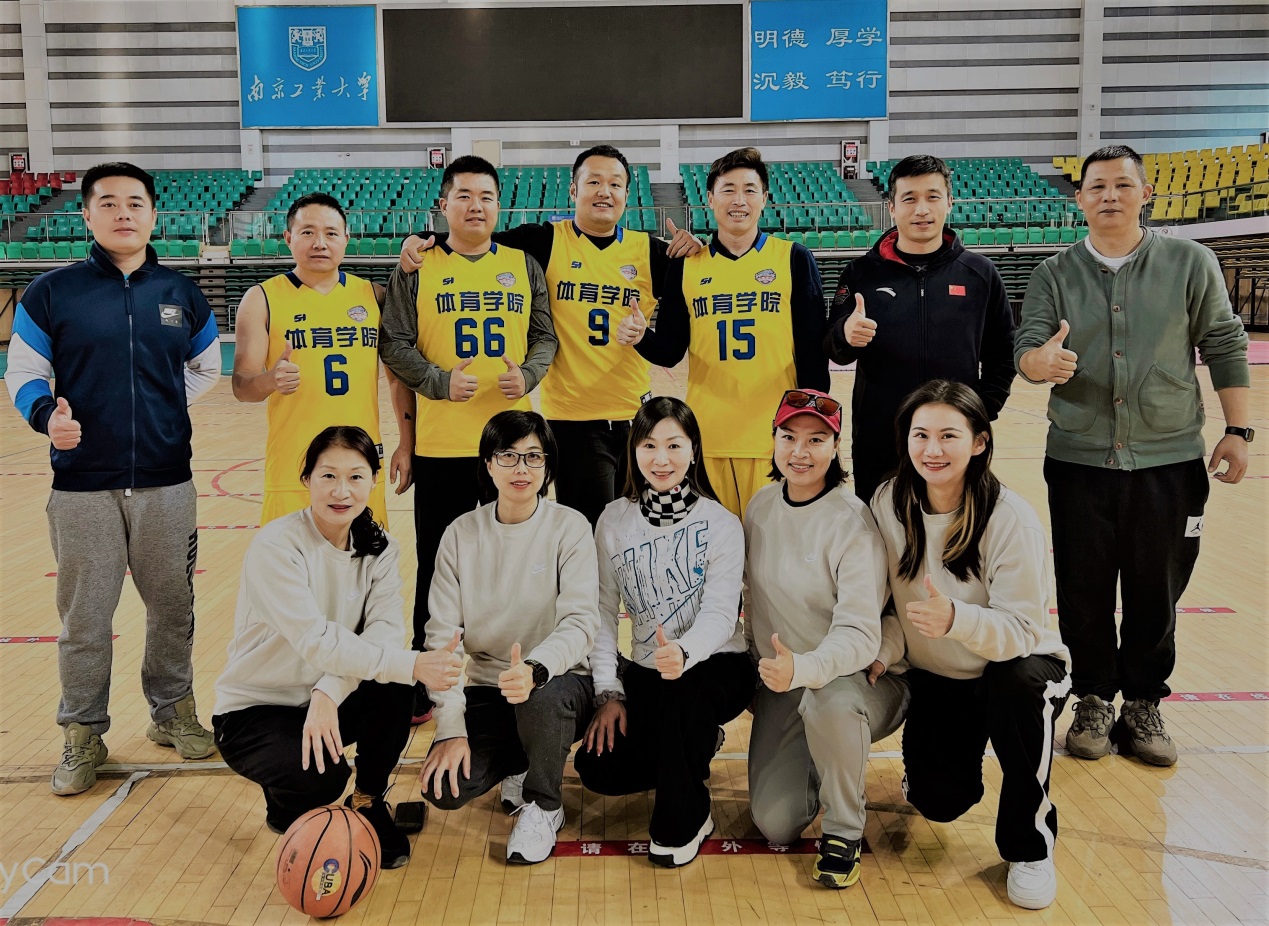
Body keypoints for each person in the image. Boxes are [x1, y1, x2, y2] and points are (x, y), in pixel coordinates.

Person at [1016, 144, 1250, 768]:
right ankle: (1094, 695)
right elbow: (1028, 347)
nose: (1110, 196)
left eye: (1123, 185)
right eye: (1097, 187)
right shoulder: (1053, 274)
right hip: (1078, 461)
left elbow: (1224, 341)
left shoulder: (1190, 263)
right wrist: (1039, 362)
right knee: (1083, 587)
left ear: (1145, 194)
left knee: (1157, 587)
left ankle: (1144, 700)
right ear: (1079, 199)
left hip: (1169, 461)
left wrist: (1238, 429)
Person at [4, 162, 221, 795]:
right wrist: (47, 418)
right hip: (82, 487)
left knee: (173, 608)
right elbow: (24, 373)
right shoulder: (51, 292)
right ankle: (82, 730)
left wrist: (158, 412)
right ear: (86, 215)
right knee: (85, 619)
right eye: (108, 202)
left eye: (135, 202)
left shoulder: (182, 293)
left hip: (166, 483)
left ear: (153, 214)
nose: (123, 212)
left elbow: (204, 368)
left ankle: (172, 711)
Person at [397, 145, 702, 527]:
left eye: (615, 184)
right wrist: (418, 238)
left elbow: (670, 350)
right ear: (573, 190)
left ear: (627, 193)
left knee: (637, 533)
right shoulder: (543, 241)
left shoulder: (652, 253)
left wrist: (696, 252)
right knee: (589, 534)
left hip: (636, 420)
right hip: (572, 421)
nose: (604, 191)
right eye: (593, 182)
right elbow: (473, 237)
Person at [212, 427, 464, 867]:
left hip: (329, 696)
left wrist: (328, 692)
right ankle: (287, 800)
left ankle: (367, 801)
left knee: (393, 684)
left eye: (355, 477)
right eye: (328, 476)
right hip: (256, 711)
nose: (341, 491)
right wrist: (413, 664)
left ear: (373, 481)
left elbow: (384, 634)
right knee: (322, 779)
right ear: (306, 479)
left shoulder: (381, 548)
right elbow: (316, 640)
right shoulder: (277, 546)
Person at [868, 380, 1071, 910]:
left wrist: (956, 618)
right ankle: (935, 766)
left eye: (949, 436)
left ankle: (1030, 847)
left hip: (1020, 668)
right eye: (921, 435)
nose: (932, 449)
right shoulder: (888, 502)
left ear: (979, 442)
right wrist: (884, 650)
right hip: (940, 676)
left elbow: (1023, 631)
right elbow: (894, 608)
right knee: (938, 801)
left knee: (1017, 685)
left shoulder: (1010, 519)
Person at [379, 155, 558, 722]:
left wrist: (527, 375)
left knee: (517, 566)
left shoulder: (523, 264)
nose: (475, 206)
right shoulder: (416, 265)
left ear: (500, 206)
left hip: (514, 450)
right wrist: (437, 381)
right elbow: (393, 342)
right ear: (443, 204)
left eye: (486, 196)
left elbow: (545, 337)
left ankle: (514, 670)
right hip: (443, 446)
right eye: (464, 195)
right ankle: (427, 676)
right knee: (437, 566)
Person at [575, 397, 755, 868]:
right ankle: (697, 743)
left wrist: (685, 651)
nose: (661, 458)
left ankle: (684, 821)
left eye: (674, 445)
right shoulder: (613, 520)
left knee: (684, 692)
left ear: (693, 451)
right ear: (633, 450)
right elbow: (601, 613)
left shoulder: (721, 523)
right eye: (649, 445)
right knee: (598, 767)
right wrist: (609, 691)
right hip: (646, 669)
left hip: (716, 665)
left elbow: (721, 614)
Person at [418, 411, 599, 866]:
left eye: (534, 457)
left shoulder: (570, 527)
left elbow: (581, 623)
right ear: (487, 463)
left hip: (559, 681)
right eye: (508, 456)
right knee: (445, 787)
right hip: (489, 687)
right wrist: (450, 727)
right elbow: (442, 642)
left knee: (540, 698)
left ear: (548, 465)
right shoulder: (460, 534)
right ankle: (523, 759)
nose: (522, 468)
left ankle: (545, 805)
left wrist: (536, 668)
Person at [743, 389, 905, 889]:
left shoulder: (853, 524)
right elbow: (751, 601)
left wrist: (805, 669)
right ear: (773, 440)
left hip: (850, 682)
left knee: (829, 705)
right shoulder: (760, 506)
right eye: (788, 437)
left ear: (836, 447)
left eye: (816, 440)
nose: (800, 451)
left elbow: (859, 635)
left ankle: (843, 830)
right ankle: (820, 755)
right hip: (786, 682)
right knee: (776, 822)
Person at [631, 147, 831, 518]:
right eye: (728, 190)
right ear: (710, 198)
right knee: (718, 548)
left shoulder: (793, 258)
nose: (739, 200)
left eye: (749, 190)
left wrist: (812, 429)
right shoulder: (687, 266)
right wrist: (640, 335)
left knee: (774, 548)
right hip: (708, 436)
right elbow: (670, 351)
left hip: (777, 437)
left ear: (764, 198)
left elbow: (813, 354)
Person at [824, 154, 1016, 504]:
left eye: (932, 196)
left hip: (953, 439)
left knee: (954, 530)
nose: (922, 209)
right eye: (909, 198)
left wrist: (981, 410)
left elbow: (1003, 354)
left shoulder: (980, 274)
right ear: (892, 207)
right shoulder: (860, 273)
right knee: (879, 531)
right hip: (880, 437)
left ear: (949, 202)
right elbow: (833, 347)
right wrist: (844, 334)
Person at [231, 192, 416, 526]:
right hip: (295, 463)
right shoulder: (261, 298)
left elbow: (397, 380)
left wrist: (406, 443)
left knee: (365, 557)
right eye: (307, 232)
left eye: (331, 233)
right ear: (288, 238)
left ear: (346, 239)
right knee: (291, 559)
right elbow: (242, 387)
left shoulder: (374, 296)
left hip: (360, 462)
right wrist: (269, 380)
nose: (320, 243)